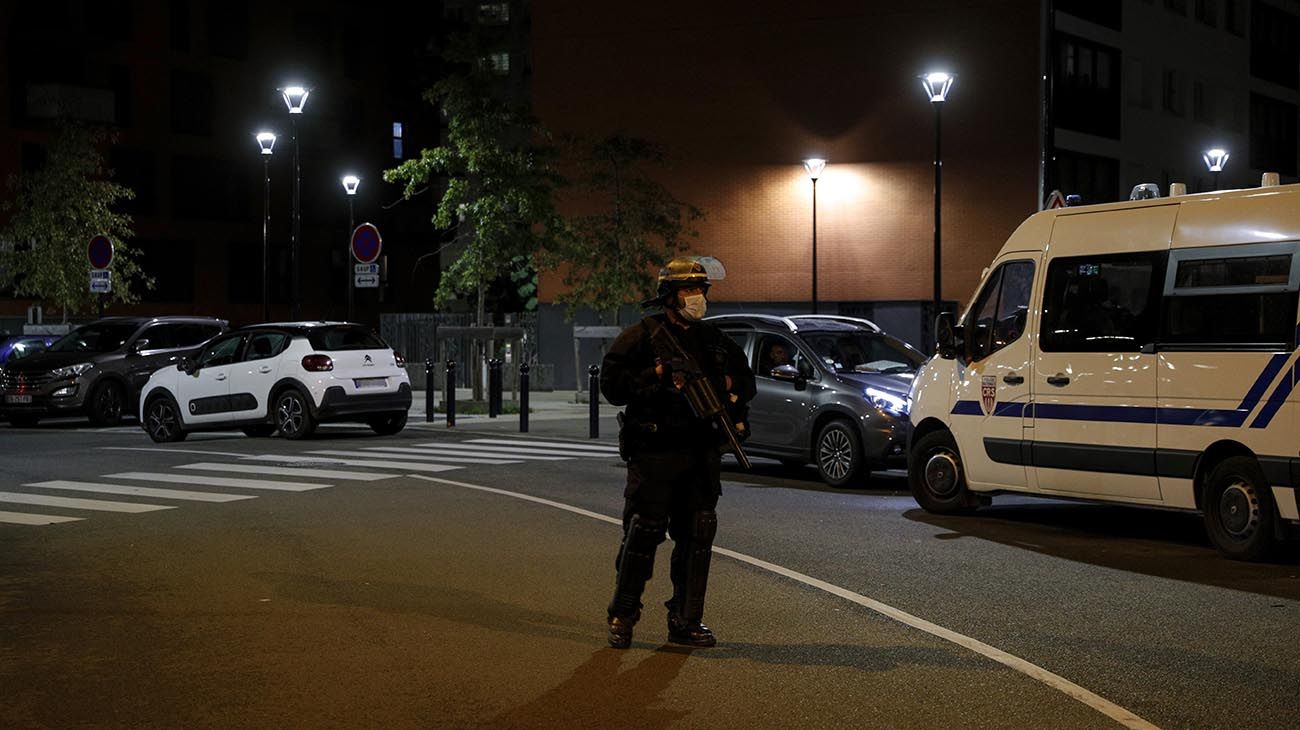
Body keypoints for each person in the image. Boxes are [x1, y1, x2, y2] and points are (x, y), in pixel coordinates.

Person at [599, 255, 756, 649]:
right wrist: (655, 376)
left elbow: (746, 384)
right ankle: (624, 614)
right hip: (654, 453)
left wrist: (730, 393)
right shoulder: (642, 337)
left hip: (701, 454)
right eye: (689, 290)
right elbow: (612, 387)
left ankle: (686, 620)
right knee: (644, 533)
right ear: (669, 295)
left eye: (700, 290)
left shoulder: (714, 341)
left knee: (698, 534)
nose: (696, 297)